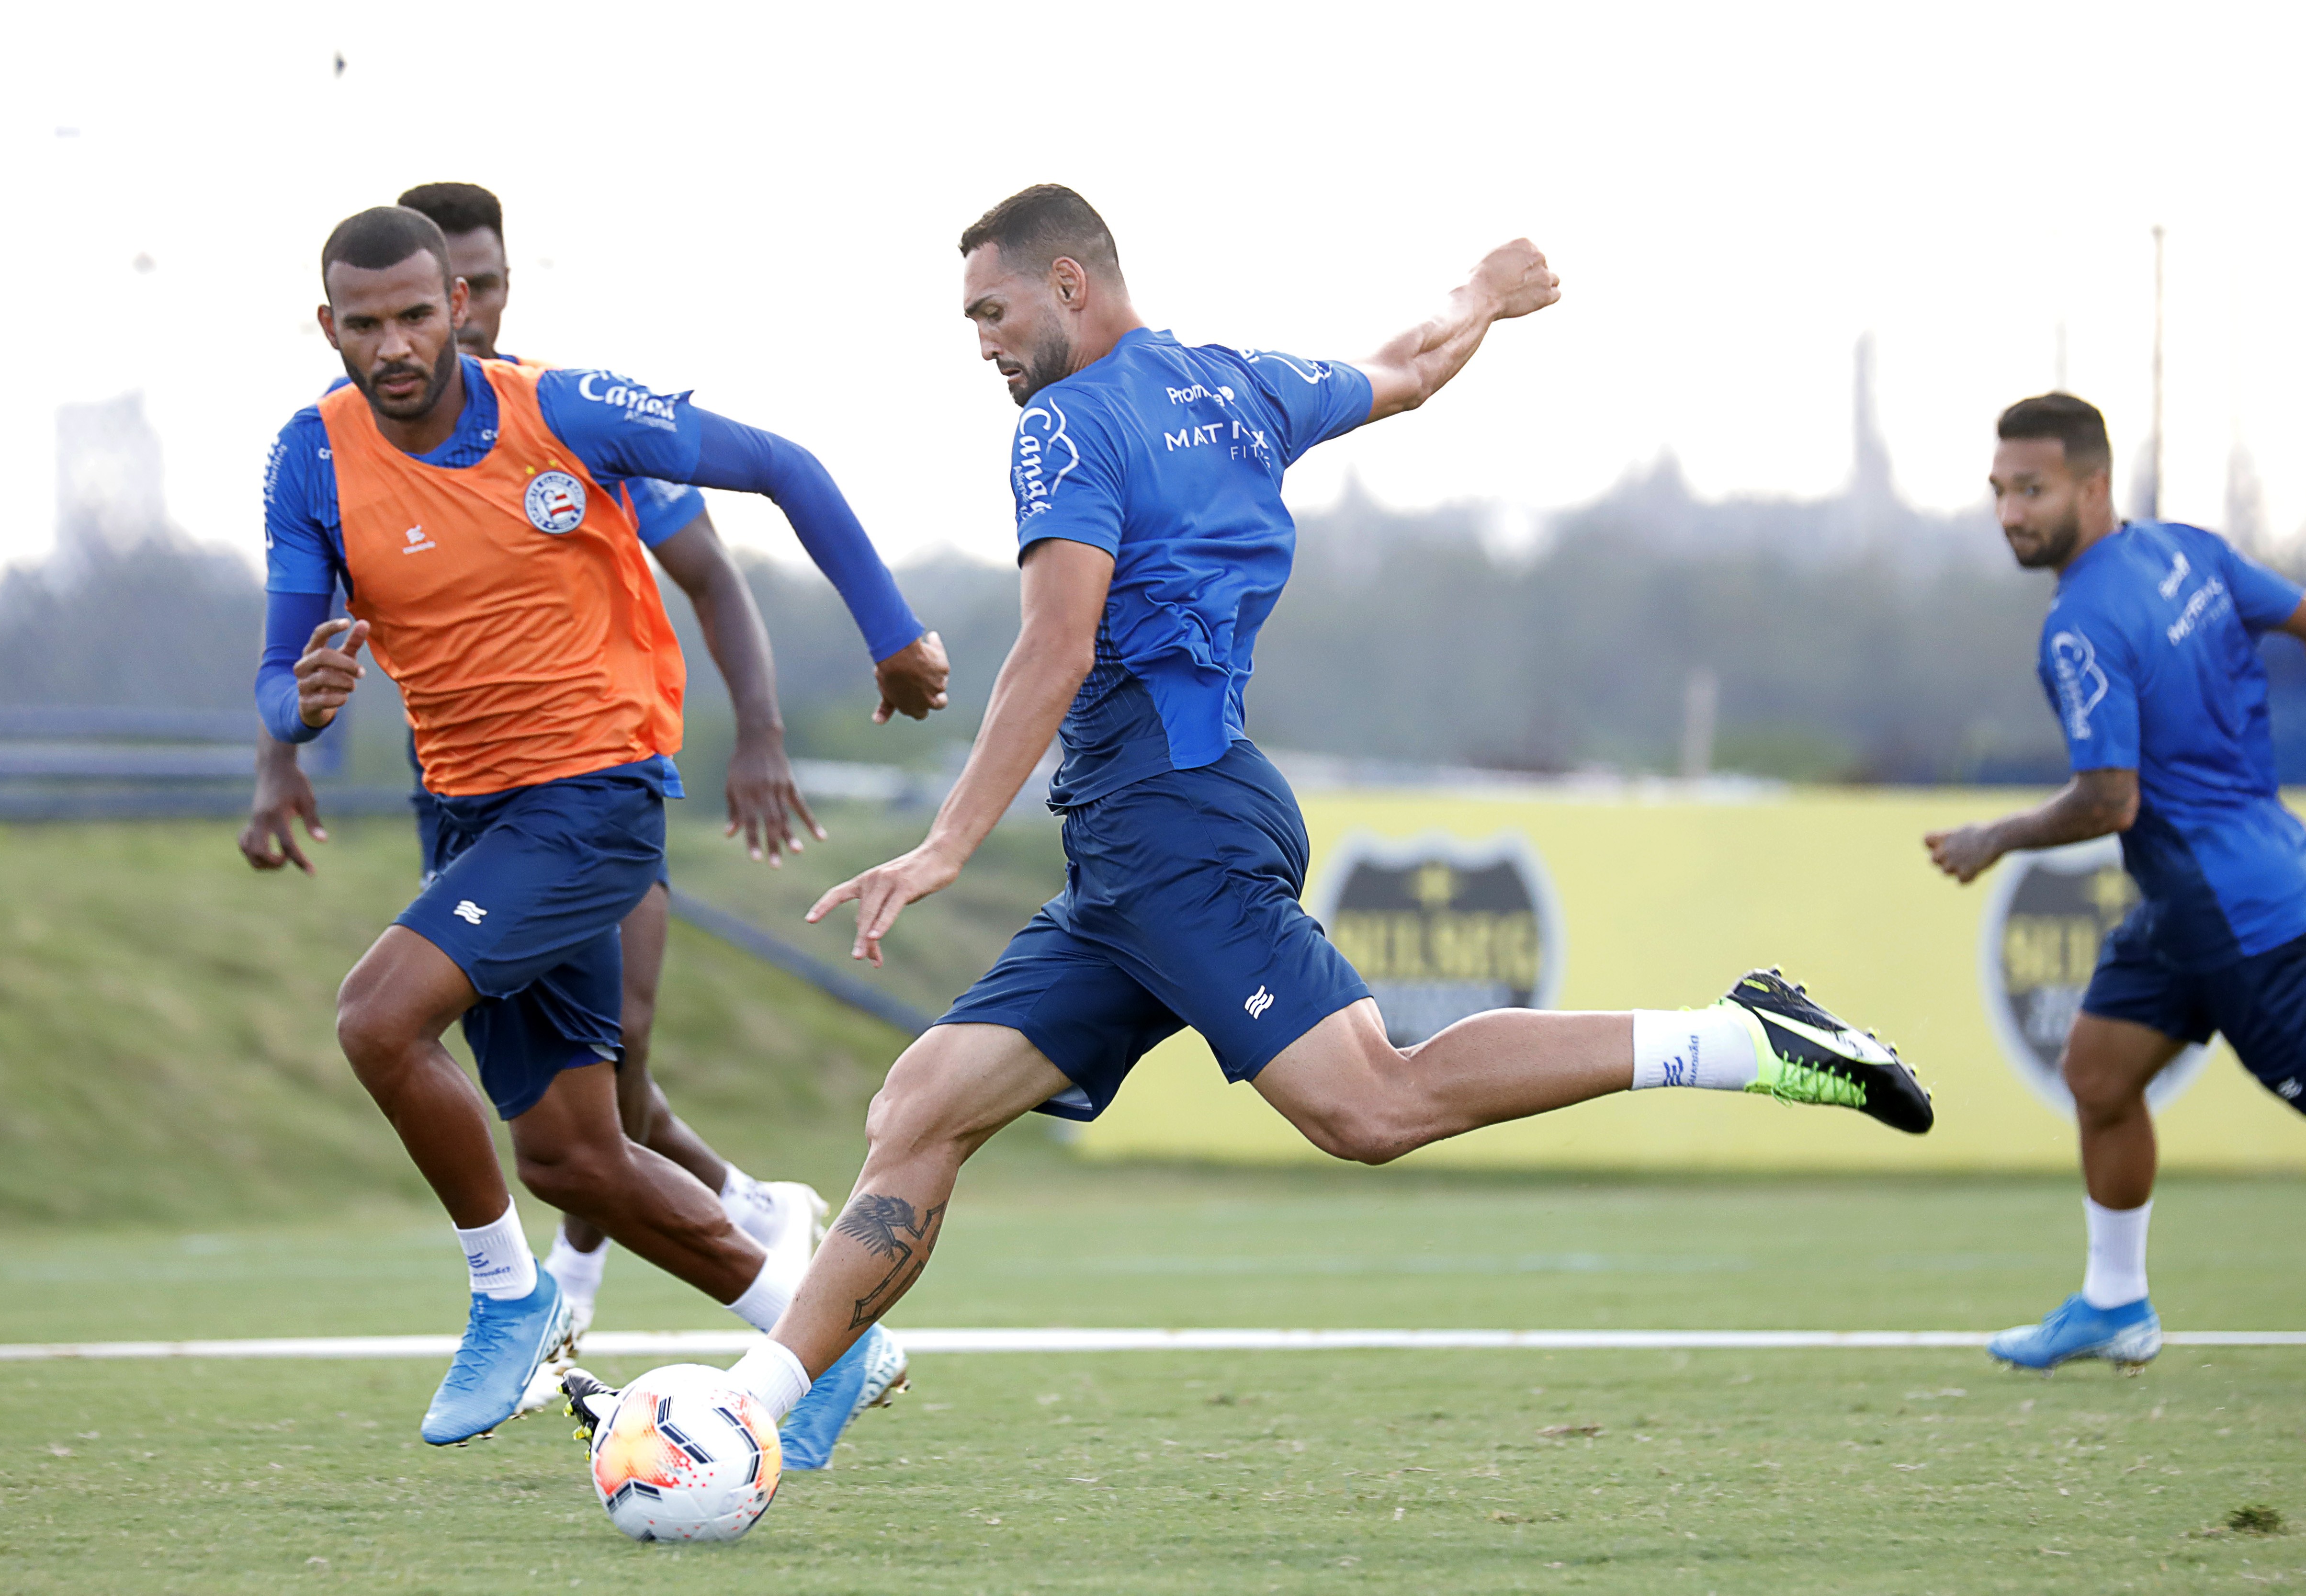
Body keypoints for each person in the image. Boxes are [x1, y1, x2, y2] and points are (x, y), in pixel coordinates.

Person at [661, 185, 1930, 1449]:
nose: (981, 340)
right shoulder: (1238, 383)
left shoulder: (1067, 423)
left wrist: (947, 841)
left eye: (991, 310)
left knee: (1372, 1103)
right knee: (921, 1105)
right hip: (1148, 844)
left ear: (1072, 286)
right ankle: (753, 1410)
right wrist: (1482, 292)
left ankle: (1741, 1036)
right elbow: (1408, 370)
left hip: (1174, 828)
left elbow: (1056, 644)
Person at [259, 205, 949, 1451]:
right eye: (366, 324)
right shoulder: (309, 455)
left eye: (420, 313)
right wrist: (292, 711)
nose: (397, 342)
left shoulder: (571, 410)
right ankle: (832, 1345)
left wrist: (892, 633)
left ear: (459, 308)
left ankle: (507, 1293)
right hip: (466, 813)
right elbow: (278, 668)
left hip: (593, 799)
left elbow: (785, 466)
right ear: (332, 329)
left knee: (378, 1015)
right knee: (578, 1155)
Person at [1925, 393, 2306, 1372]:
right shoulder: (2189, 550)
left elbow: (2108, 802)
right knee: (2097, 1072)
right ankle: (2114, 1302)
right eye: (2000, 490)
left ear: (2093, 486)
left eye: (2033, 490)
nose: (2011, 512)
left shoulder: (2080, 625)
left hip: (2240, 912)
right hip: (2188, 903)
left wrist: (1993, 836)